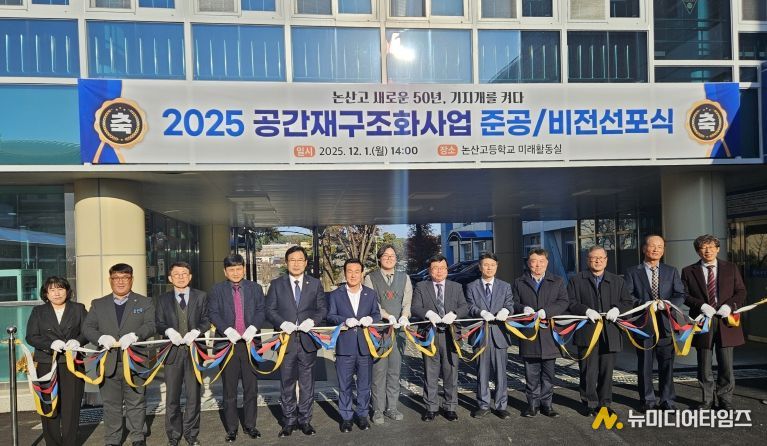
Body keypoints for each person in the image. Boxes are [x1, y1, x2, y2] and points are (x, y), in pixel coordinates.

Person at [82, 263, 156, 446]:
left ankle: (137, 437)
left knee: (136, 401)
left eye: (125, 278)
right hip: (108, 362)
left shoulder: (145, 302)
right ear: (110, 280)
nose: (121, 282)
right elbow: (87, 327)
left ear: (132, 279)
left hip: (135, 361)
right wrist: (101, 338)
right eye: (116, 278)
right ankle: (113, 439)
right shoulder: (98, 304)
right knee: (111, 404)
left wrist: (135, 335)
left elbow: (151, 325)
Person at [266, 245, 327, 437]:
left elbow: (322, 309)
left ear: (306, 263)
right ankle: (289, 421)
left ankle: (305, 420)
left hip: (308, 341)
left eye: (300, 260)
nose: (296, 263)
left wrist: (313, 321)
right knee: (287, 382)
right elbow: (269, 310)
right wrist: (282, 323)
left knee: (307, 383)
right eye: (292, 260)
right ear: (286, 262)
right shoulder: (277, 284)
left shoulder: (315, 284)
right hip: (286, 341)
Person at [681, 234, 747, 410]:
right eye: (703, 247)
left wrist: (729, 306)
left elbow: (741, 292)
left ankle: (725, 400)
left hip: (726, 321)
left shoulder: (731, 268)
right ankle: (707, 400)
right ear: (698, 251)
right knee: (704, 364)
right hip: (703, 321)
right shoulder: (688, 271)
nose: (707, 250)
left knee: (726, 363)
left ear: (717, 249)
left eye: (711, 247)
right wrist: (701, 305)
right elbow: (684, 295)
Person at [567, 246, 634, 416]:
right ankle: (589, 402)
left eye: (601, 258)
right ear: (587, 260)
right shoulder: (577, 280)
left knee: (607, 370)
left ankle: (604, 403)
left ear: (606, 260)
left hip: (610, 332)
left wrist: (617, 309)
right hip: (587, 331)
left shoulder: (617, 281)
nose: (597, 261)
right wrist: (585, 310)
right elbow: (570, 302)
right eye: (593, 258)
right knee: (588, 370)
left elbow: (627, 302)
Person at [624, 235, 685, 412]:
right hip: (644, 324)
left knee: (667, 364)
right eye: (653, 246)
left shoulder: (671, 271)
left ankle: (667, 400)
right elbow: (627, 296)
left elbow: (680, 294)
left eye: (660, 247)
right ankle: (647, 400)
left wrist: (667, 304)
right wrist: (646, 304)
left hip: (666, 324)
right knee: (645, 364)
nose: (656, 249)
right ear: (644, 249)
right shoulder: (632, 271)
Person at [208, 254, 266, 443]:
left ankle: (251, 425)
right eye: (231, 269)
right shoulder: (216, 290)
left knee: (251, 388)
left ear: (244, 269)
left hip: (249, 344)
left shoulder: (255, 288)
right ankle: (232, 428)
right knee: (229, 389)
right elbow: (213, 313)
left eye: (238, 268)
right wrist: (227, 330)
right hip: (227, 344)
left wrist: (253, 328)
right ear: (225, 272)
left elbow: (261, 310)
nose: (235, 272)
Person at [25, 276, 87, 446]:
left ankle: (70, 443)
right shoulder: (38, 311)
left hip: (72, 363)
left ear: (67, 291)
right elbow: (31, 336)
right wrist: (50, 344)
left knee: (71, 407)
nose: (57, 293)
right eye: (52, 290)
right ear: (46, 293)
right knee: (49, 406)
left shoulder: (78, 308)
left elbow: (87, 331)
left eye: (60, 289)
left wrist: (78, 341)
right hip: (46, 364)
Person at [156, 262, 211, 446]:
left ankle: (191, 434)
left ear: (190, 276)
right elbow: (159, 323)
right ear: (170, 278)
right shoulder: (162, 299)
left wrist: (197, 331)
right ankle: (173, 435)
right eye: (176, 274)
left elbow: (207, 319)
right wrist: (168, 331)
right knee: (172, 397)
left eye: (184, 273)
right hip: (172, 353)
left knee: (193, 396)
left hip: (195, 351)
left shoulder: (201, 296)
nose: (181, 277)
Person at [410, 254, 469, 422]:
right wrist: (428, 313)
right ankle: (431, 407)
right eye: (435, 268)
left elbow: (465, 307)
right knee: (430, 372)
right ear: (429, 270)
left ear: (447, 269)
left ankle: (450, 407)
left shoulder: (456, 286)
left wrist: (455, 313)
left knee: (451, 372)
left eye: (442, 268)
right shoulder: (422, 286)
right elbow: (415, 307)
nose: (439, 271)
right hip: (430, 334)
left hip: (451, 335)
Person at [512, 249, 570, 418]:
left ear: (547, 263)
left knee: (548, 374)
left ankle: (547, 405)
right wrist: (523, 308)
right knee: (531, 374)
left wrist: (548, 311)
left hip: (549, 335)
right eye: (533, 261)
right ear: (528, 263)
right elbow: (512, 302)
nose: (537, 265)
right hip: (529, 334)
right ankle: (532, 405)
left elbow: (564, 302)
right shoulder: (519, 282)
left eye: (541, 261)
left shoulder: (557, 281)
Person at [326, 258, 381, 433]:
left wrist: (370, 318)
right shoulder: (336, 294)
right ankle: (346, 418)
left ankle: (363, 416)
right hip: (345, 347)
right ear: (345, 273)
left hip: (365, 347)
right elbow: (330, 316)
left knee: (364, 385)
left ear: (362, 273)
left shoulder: (370, 294)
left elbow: (377, 314)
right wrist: (344, 320)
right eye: (349, 271)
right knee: (345, 385)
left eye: (357, 271)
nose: (353, 275)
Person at [363, 243, 412, 424]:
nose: (389, 258)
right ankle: (377, 409)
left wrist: (404, 316)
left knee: (394, 370)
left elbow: (407, 301)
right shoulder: (371, 278)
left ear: (396, 259)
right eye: (385, 255)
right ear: (379, 258)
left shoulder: (404, 277)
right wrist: (386, 315)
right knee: (379, 371)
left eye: (392, 255)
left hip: (398, 331)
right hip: (379, 331)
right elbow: (372, 303)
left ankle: (392, 407)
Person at [465, 252, 514, 419]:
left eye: (492, 265)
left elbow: (510, 304)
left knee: (501, 373)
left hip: (500, 335)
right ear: (480, 267)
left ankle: (501, 406)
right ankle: (483, 405)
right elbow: (470, 306)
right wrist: (481, 312)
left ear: (497, 266)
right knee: (482, 373)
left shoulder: (505, 286)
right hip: (481, 335)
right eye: (486, 265)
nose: (489, 268)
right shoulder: (471, 286)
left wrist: (506, 310)